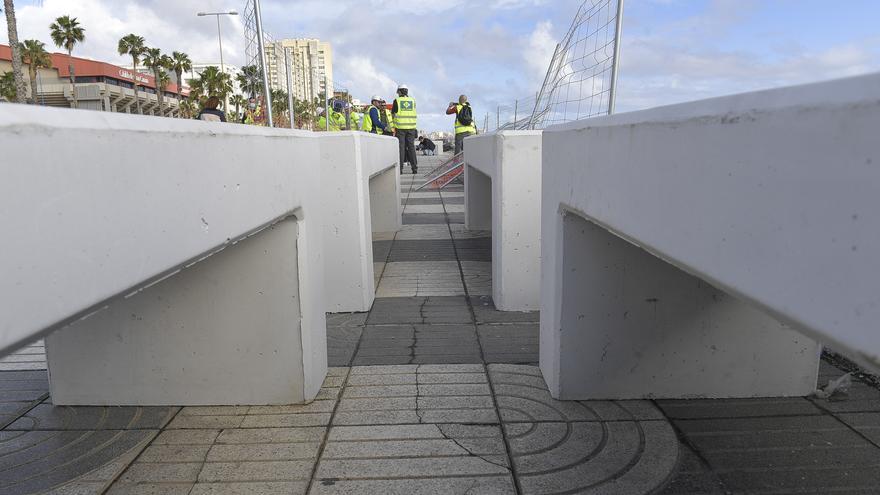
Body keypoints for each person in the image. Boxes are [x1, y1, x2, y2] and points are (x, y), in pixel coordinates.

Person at [392, 84, 418, 174]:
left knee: (401, 148)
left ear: (399, 91)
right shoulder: (412, 100)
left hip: (400, 128)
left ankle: (400, 169)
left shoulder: (397, 101)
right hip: (411, 128)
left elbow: (393, 114)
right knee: (411, 148)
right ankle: (414, 168)